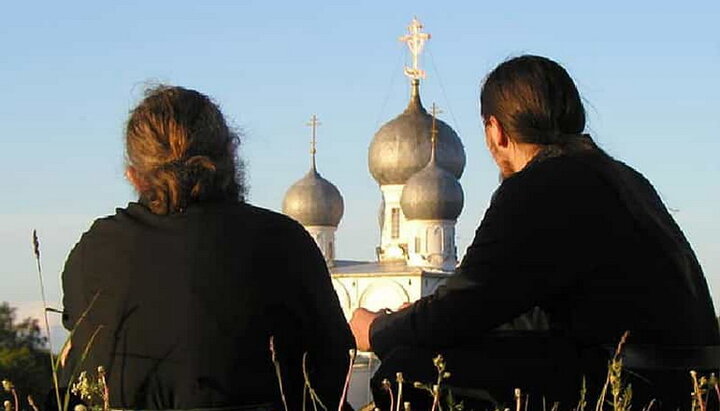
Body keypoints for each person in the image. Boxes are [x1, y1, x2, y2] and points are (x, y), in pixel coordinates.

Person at [349, 55, 720, 409]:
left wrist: (378, 329)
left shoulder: (539, 185)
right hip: (686, 379)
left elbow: (464, 308)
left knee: (406, 369)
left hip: (631, 382)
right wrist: (423, 312)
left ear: (496, 131)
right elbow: (530, 303)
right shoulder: (623, 178)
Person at [59, 86, 355, 410]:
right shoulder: (285, 244)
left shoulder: (93, 251)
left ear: (134, 175)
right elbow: (334, 373)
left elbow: (80, 366)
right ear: (231, 153)